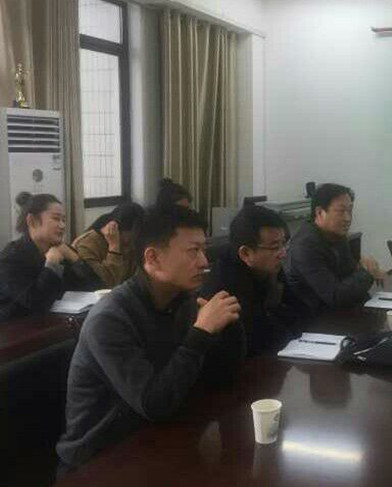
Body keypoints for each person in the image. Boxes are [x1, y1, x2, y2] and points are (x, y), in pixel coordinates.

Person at [56, 206, 241, 472]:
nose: (204, 261)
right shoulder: (110, 319)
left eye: (203, 249)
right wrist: (201, 333)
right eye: (193, 251)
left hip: (158, 439)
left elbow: (219, 378)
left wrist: (229, 324)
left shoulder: (182, 300)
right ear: (152, 258)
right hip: (101, 459)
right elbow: (154, 404)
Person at [200, 205, 299, 357]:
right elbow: (258, 338)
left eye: (284, 244)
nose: (283, 253)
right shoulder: (226, 284)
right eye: (274, 247)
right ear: (246, 253)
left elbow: (297, 309)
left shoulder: (269, 266)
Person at [283, 183, 385, 316]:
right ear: (320, 212)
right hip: (312, 320)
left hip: (338, 314)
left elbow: (350, 274)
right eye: (341, 211)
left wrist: (362, 267)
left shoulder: (336, 236)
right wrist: (368, 272)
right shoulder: (305, 246)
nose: (348, 218)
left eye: (350, 211)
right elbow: (336, 296)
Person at [0, 192, 101, 322]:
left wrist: (76, 260)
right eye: (56, 219)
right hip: (17, 327)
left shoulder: (63, 250)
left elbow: (96, 288)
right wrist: (52, 265)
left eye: (63, 220)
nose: (62, 225)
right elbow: (36, 303)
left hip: (60, 323)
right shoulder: (11, 257)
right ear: (32, 221)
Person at [72, 203, 144, 288]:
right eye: (132, 236)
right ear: (116, 228)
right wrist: (114, 248)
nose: (132, 245)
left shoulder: (132, 243)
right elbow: (105, 284)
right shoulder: (86, 244)